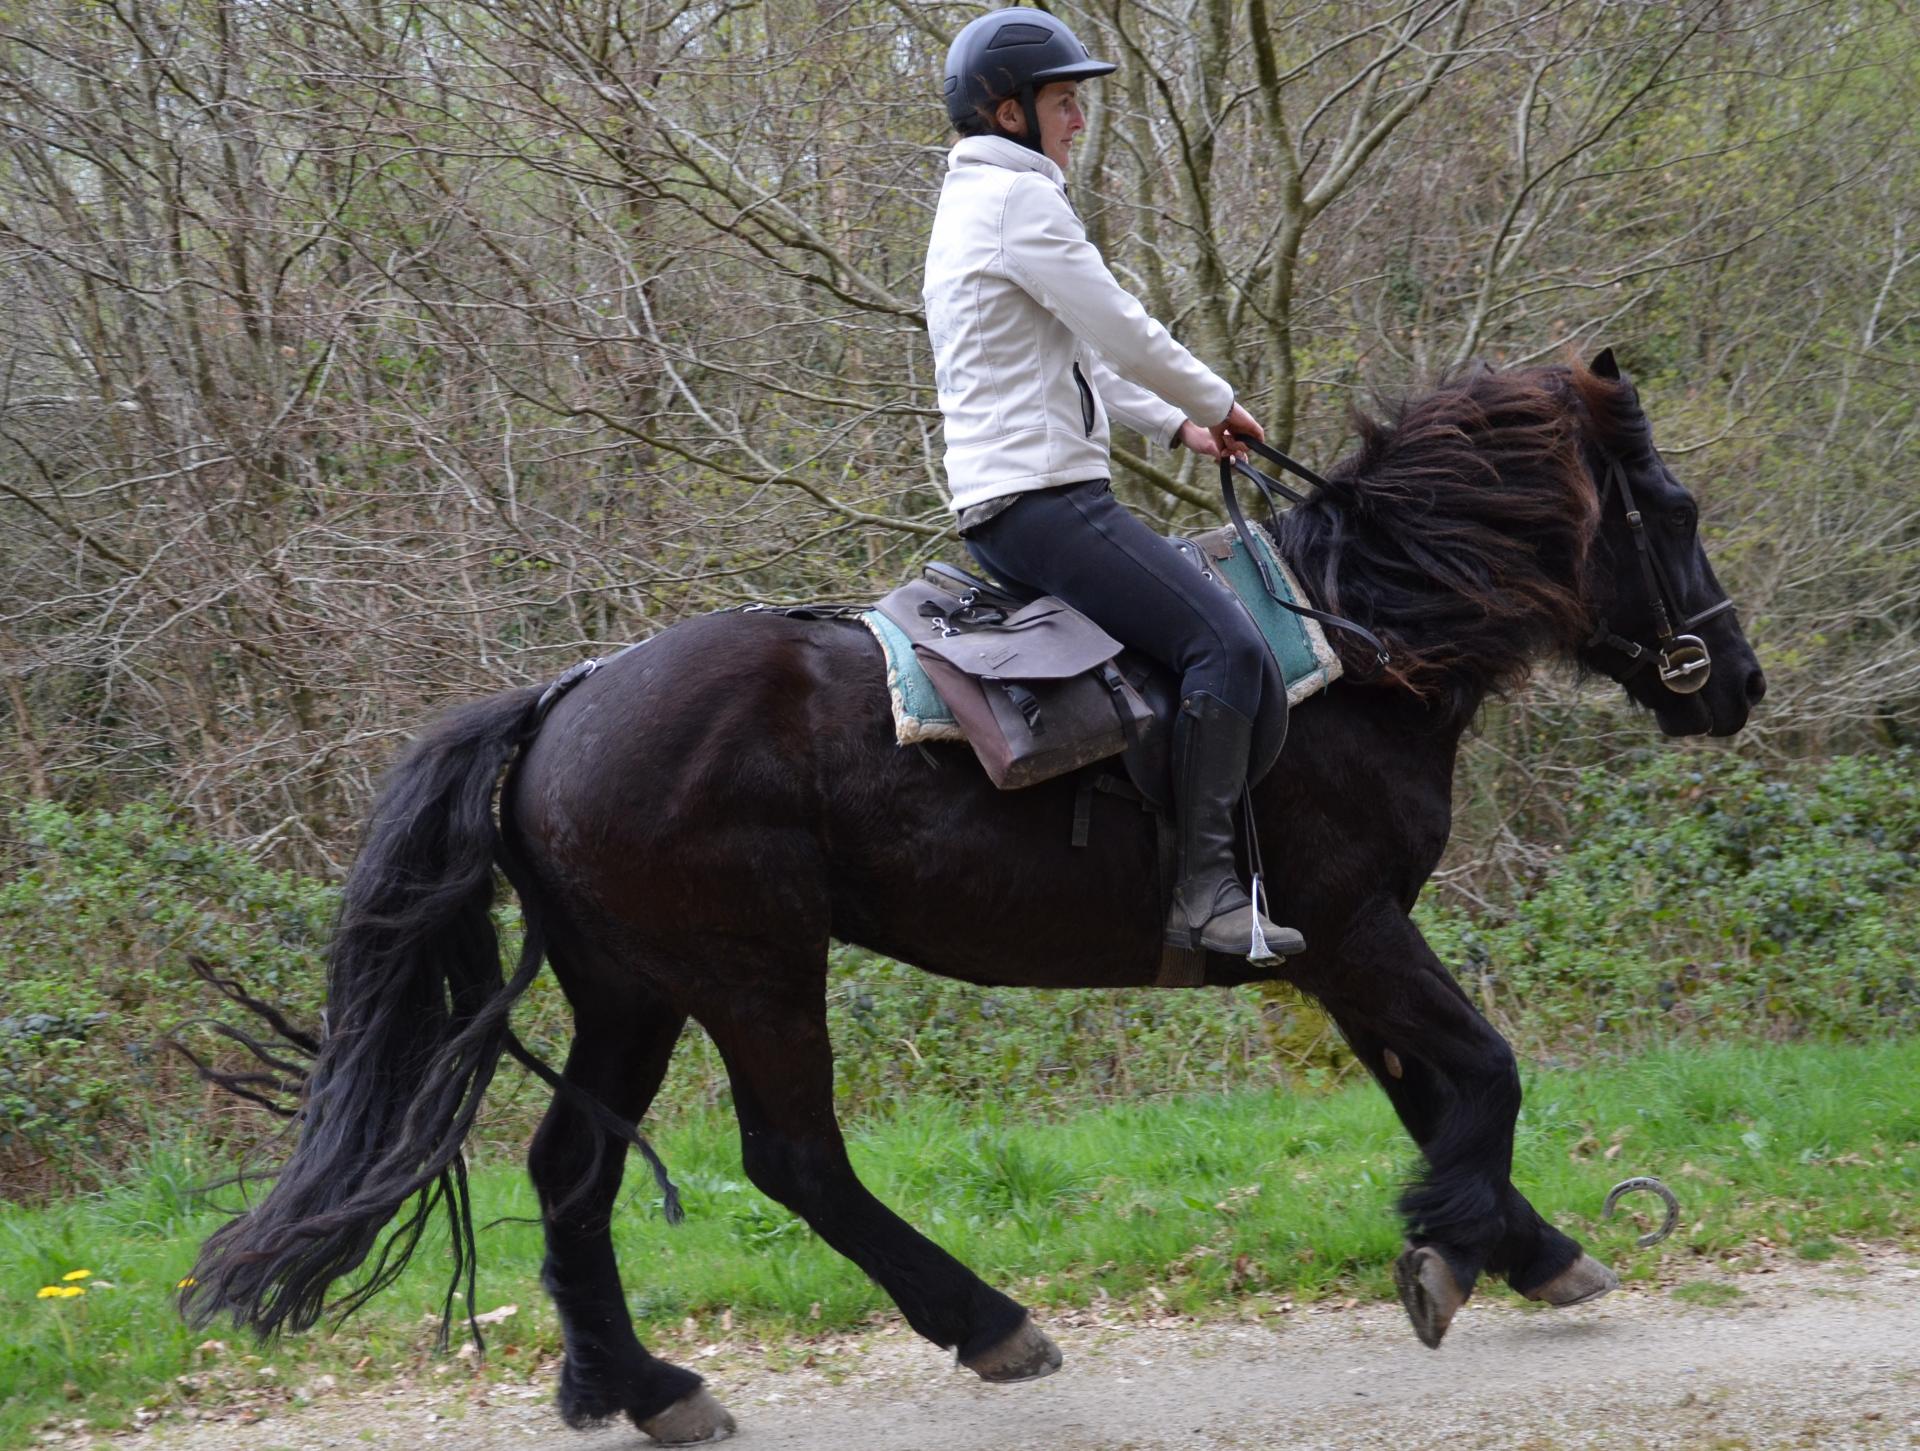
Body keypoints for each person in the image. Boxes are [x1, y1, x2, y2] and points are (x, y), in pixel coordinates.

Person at [923, 7, 1302, 963]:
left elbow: (1087, 354)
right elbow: (1126, 328)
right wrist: (1220, 399)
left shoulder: (975, 202)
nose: (1078, 121)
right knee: (1229, 647)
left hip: (1018, 500)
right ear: (1008, 112)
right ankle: (1206, 894)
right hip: (1046, 501)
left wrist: (1177, 424)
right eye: (1062, 102)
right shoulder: (1019, 203)